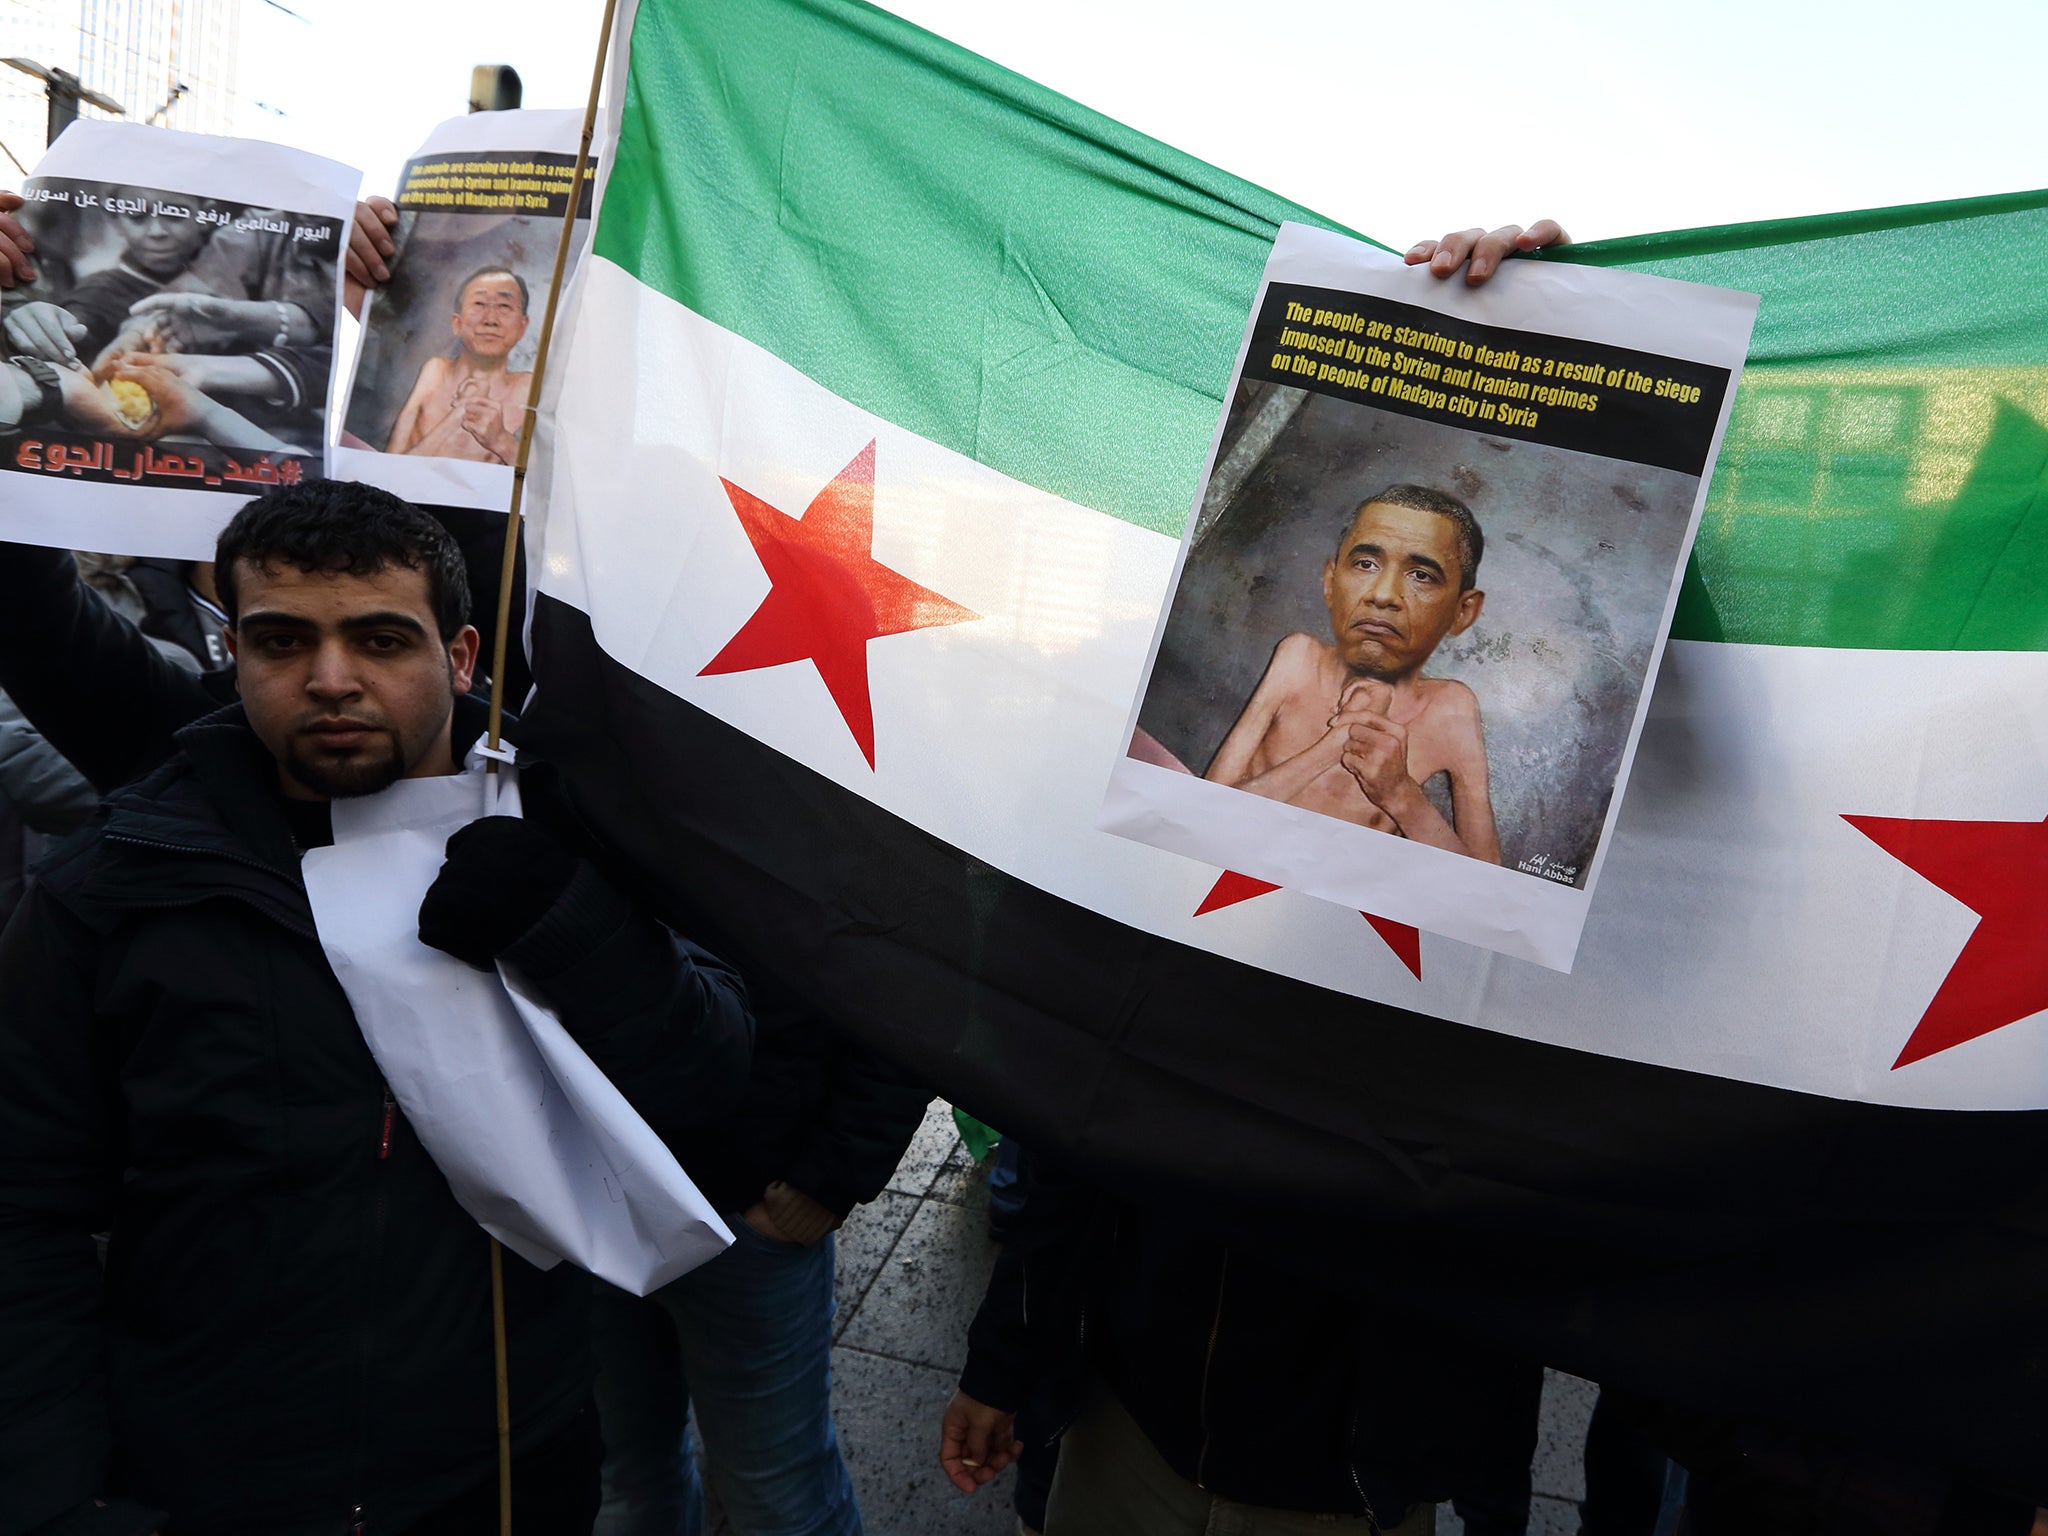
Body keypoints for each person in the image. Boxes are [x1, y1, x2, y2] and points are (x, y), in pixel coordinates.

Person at [0, 480, 754, 1534]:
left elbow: (716, 1089)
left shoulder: (573, 827)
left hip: (507, 1465)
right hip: (207, 1481)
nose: (330, 680)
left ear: (460, 654)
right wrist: (52, 1498)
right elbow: (24, 1210)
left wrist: (574, 927)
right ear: (232, 654)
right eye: (279, 642)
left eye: (382, 640)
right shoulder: (116, 887)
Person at [1204, 486, 1499, 863]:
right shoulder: (1299, 659)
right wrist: (1335, 744)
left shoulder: (1449, 709)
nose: (1384, 595)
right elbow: (1207, 808)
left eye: (1421, 575)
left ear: (1463, 612)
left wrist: (1399, 794)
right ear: (1330, 581)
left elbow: (1486, 887)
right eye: (1366, 564)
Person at [385, 266, 532, 464]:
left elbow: (545, 484)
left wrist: (500, 440)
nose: (490, 320)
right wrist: (459, 414)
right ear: (457, 323)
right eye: (479, 304)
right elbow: (388, 466)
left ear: (522, 326)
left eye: (504, 306)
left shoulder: (526, 388)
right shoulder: (435, 371)